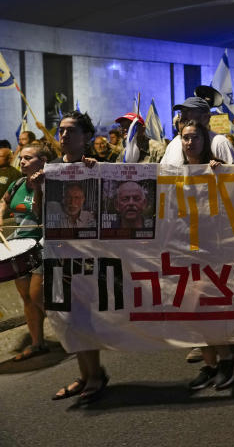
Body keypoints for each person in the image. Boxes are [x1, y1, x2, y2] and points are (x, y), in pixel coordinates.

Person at [44, 112, 109, 403]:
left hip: (87, 256)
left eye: (71, 131)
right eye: (61, 130)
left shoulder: (98, 167)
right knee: (66, 315)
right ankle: (84, 374)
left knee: (83, 316)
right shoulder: (52, 169)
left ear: (86, 137)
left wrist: (99, 172)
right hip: (57, 255)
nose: (65, 136)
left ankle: (95, 375)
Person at [178, 119, 234, 390]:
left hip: (213, 248)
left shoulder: (215, 169)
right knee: (193, 311)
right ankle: (211, 363)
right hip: (185, 248)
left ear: (204, 142)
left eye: (195, 138)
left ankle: (225, 359)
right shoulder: (174, 173)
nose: (190, 142)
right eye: (185, 138)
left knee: (204, 307)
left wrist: (222, 176)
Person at [1, 141, 52, 362]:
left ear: (42, 161)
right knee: (26, 298)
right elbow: (4, 202)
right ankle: (37, 343)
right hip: (19, 246)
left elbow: (41, 214)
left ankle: (77, 332)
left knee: (36, 294)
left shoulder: (52, 183)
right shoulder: (17, 184)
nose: (22, 161)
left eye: (28, 158)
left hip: (43, 244)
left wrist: (40, 188)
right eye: (21, 157)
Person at [161, 97, 234, 165]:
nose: (181, 117)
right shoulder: (173, 144)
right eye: (181, 113)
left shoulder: (220, 143)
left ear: (205, 118)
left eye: (187, 112)